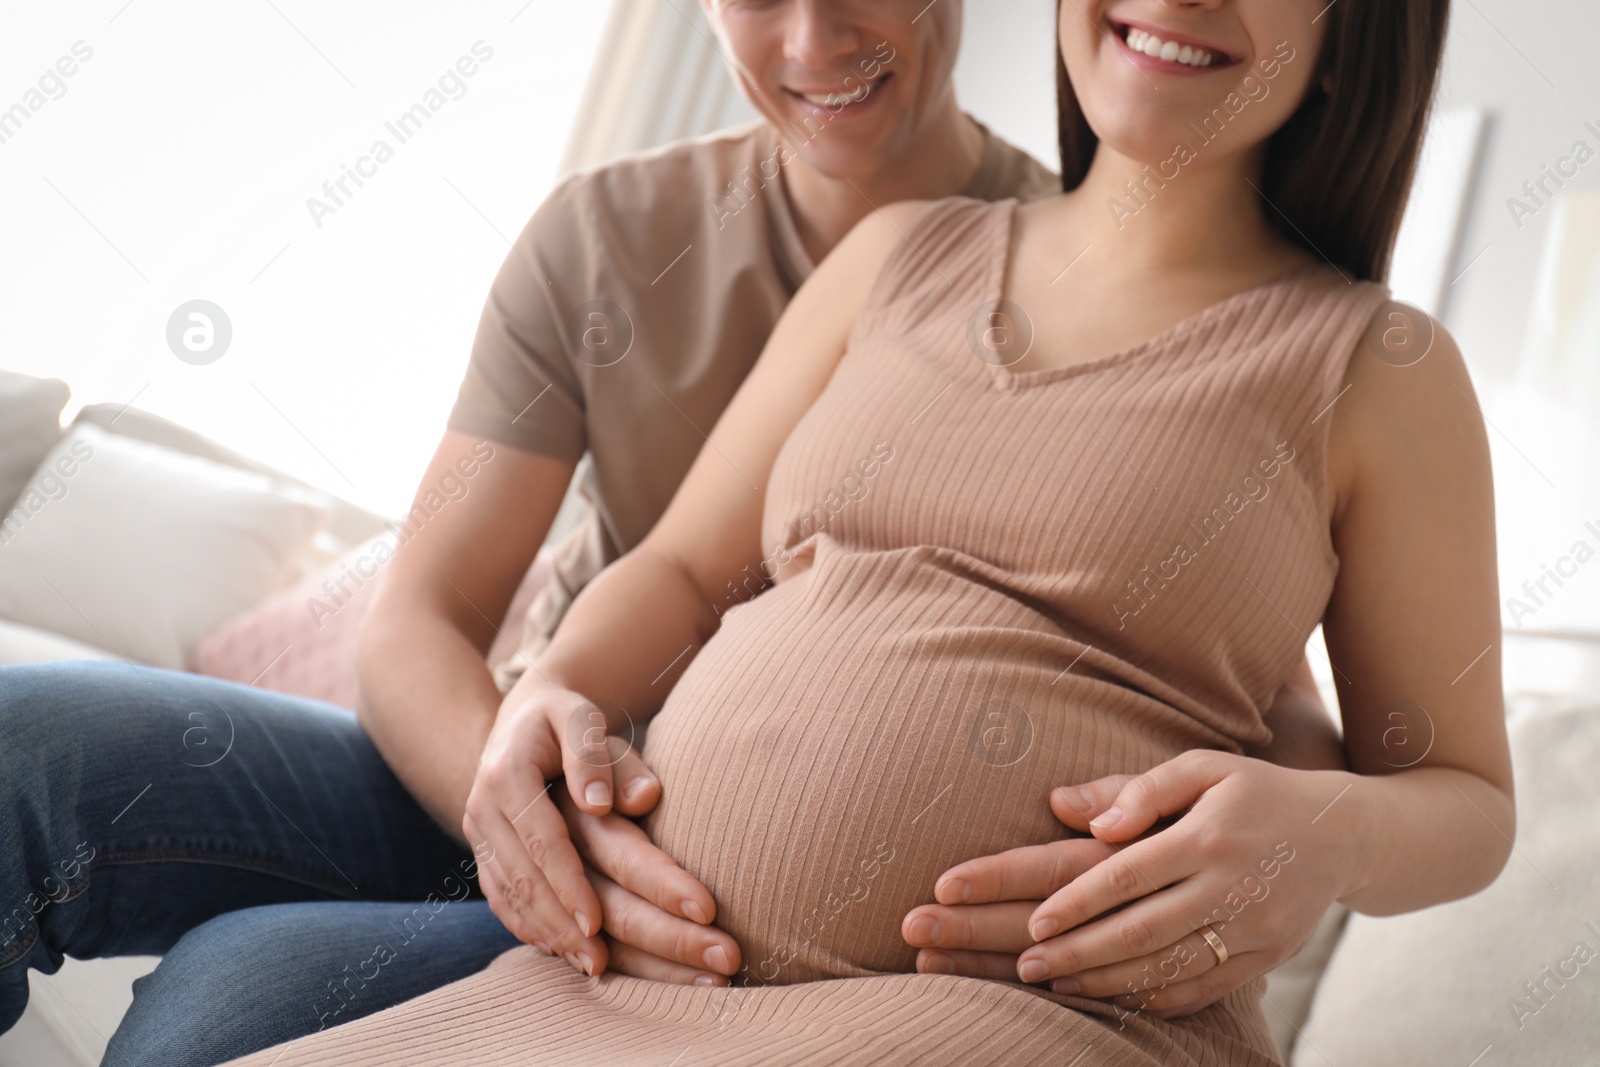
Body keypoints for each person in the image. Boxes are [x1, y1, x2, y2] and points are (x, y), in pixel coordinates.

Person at [0, 3, 1338, 1064]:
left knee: (228, 1006)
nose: (815, 42)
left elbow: (1242, 688)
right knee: (28, 741)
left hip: (742, 925)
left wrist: (1289, 841)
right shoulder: (604, 238)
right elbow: (421, 621)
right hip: (529, 788)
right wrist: (532, 821)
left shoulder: (1113, 277)